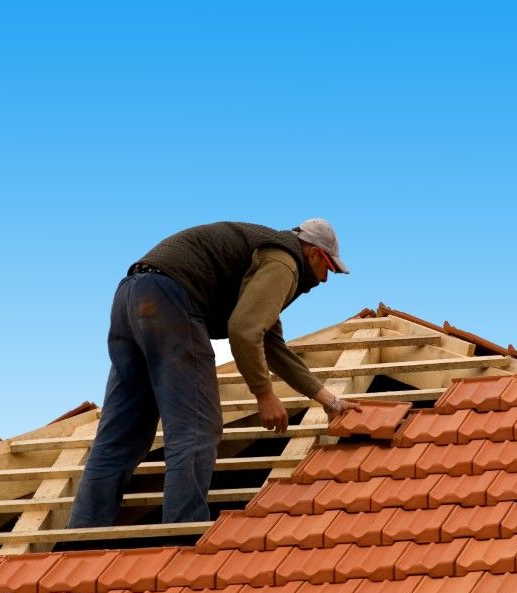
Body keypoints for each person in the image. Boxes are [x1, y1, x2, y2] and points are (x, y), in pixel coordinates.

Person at [67, 219, 362, 528]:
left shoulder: (262, 255)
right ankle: (180, 535)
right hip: (172, 301)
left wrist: (330, 401)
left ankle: (78, 537)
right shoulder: (285, 262)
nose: (325, 280)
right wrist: (264, 394)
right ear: (313, 253)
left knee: (120, 435)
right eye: (328, 268)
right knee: (196, 428)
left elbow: (270, 341)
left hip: (131, 296)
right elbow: (244, 332)